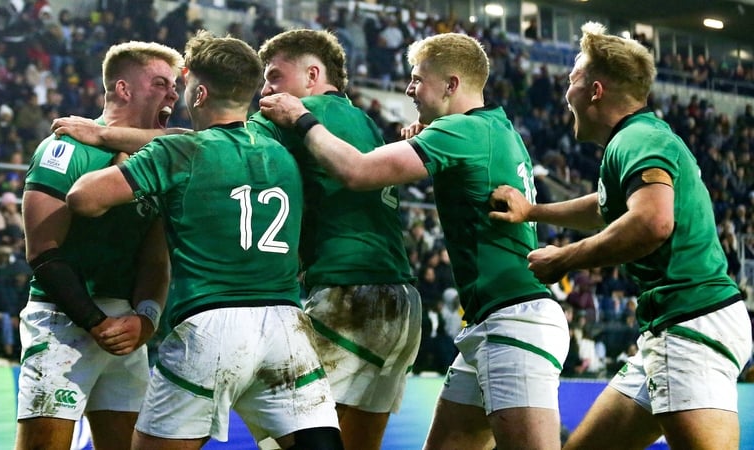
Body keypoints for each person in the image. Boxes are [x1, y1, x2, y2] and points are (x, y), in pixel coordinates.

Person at [260, 32, 569, 450]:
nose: (409, 89)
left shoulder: (460, 132)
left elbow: (358, 172)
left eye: (417, 79)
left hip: (514, 319)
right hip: (482, 319)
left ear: (451, 84)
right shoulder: (495, 127)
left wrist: (300, 117)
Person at [66, 31, 343, 450]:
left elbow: (83, 198)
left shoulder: (180, 151)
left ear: (200, 93)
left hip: (211, 325)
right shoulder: (281, 149)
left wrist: (110, 146)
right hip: (286, 325)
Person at [488, 22, 753, 450]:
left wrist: (565, 259)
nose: (565, 89)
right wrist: (533, 210)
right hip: (676, 325)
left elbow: (652, 223)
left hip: (688, 323)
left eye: (572, 79)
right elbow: (605, 206)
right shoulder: (636, 139)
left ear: (595, 90)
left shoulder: (636, 139)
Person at [248, 29, 422, 450]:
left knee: (266, 411)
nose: (266, 91)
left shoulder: (293, 114)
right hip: (403, 302)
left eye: (274, 76)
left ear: (312, 74)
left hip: (349, 294)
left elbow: (213, 144)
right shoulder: (363, 119)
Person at [15, 40, 178, 450]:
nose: (174, 94)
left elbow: (156, 260)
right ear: (123, 89)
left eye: (175, 87)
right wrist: (95, 322)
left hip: (125, 327)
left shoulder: (162, 159)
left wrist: (147, 318)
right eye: (161, 84)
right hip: (62, 322)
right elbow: (43, 253)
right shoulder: (66, 147)